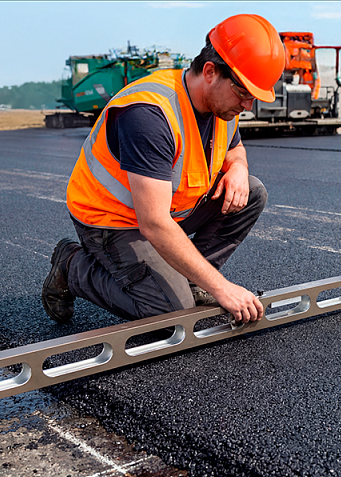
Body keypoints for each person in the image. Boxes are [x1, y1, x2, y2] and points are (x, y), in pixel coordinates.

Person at [41, 14, 286, 326]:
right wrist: (223, 288)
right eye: (244, 93)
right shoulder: (150, 115)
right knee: (171, 316)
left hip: (167, 213)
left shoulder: (222, 105)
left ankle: (193, 281)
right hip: (112, 220)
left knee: (251, 191)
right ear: (210, 72)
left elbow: (234, 147)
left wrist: (238, 166)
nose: (248, 105)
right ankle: (72, 267)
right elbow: (154, 224)